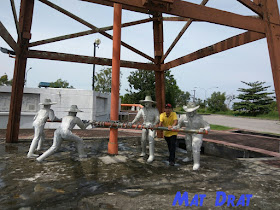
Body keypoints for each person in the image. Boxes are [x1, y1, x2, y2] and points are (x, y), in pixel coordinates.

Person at [177, 102, 210, 170]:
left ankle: (196, 163)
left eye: (192, 111)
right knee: (188, 146)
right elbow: (178, 125)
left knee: (195, 146)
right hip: (188, 132)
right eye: (189, 111)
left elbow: (208, 126)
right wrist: (175, 127)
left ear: (195, 110)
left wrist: (204, 129)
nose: (190, 113)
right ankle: (189, 157)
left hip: (197, 133)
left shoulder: (200, 118)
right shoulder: (183, 117)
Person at [130, 96, 159, 163]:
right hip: (144, 124)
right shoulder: (142, 110)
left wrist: (154, 124)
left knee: (151, 139)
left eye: (148, 102)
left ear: (151, 103)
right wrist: (132, 122)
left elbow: (157, 119)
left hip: (151, 125)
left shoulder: (155, 110)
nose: (146, 103)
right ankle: (143, 152)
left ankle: (151, 155)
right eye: (145, 102)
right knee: (143, 139)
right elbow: (137, 117)